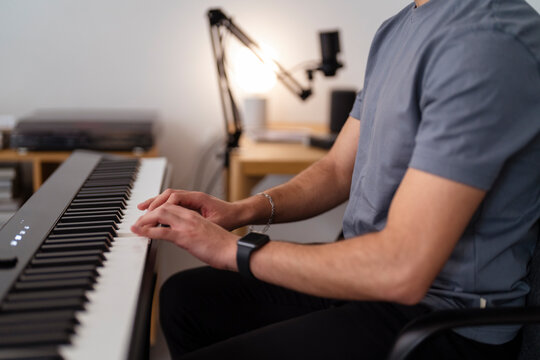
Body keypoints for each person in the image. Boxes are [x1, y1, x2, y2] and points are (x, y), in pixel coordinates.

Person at [131, 0, 540, 358]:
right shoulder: (399, 27)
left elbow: (403, 269)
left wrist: (232, 250)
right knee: (185, 300)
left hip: (443, 317)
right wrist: (241, 210)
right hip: (366, 284)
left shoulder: (486, 42)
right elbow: (337, 169)